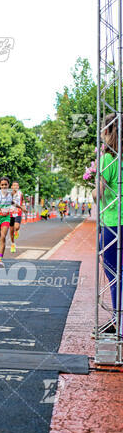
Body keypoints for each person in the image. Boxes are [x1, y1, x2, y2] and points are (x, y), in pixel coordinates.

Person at [92, 112, 123, 335]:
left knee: (114, 273)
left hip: (114, 223)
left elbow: (99, 195)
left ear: (108, 132)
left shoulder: (108, 159)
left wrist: (93, 189)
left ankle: (118, 321)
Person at [9, 180, 26, 252]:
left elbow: (22, 201)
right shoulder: (9, 194)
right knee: (11, 230)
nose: (15, 187)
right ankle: (13, 244)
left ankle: (17, 230)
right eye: (14, 185)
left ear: (18, 187)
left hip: (18, 212)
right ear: (11, 187)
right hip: (10, 212)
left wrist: (23, 207)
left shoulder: (20, 194)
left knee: (16, 226)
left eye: (17, 185)